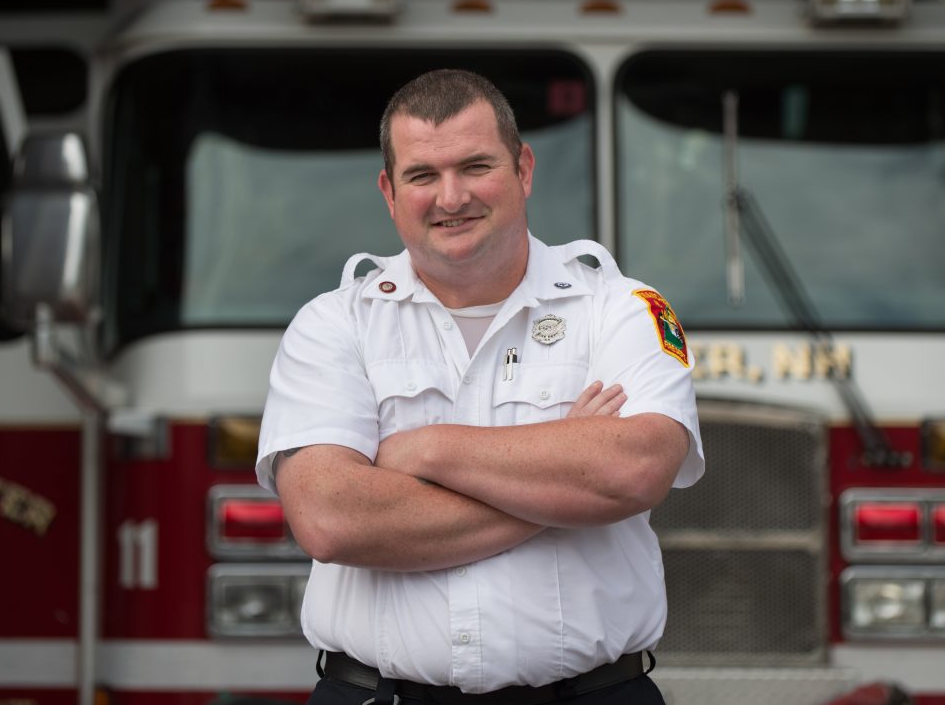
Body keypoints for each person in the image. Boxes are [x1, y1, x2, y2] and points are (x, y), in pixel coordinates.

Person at [255, 69, 704, 705]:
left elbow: (632, 473)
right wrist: (564, 479)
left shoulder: (626, 310)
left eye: (475, 166)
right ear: (389, 191)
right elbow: (332, 520)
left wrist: (426, 449)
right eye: (422, 176)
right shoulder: (333, 324)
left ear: (523, 169)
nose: (450, 196)